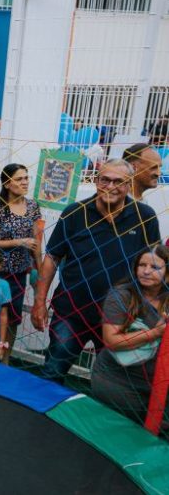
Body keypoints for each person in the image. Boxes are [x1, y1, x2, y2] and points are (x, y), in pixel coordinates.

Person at [32, 159, 161, 383]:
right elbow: (52, 258)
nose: (110, 186)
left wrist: (152, 309)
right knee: (53, 372)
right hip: (71, 311)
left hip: (119, 317)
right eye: (104, 180)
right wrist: (39, 302)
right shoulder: (75, 212)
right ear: (96, 181)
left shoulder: (144, 216)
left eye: (118, 181)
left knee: (111, 382)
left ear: (129, 184)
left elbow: (154, 262)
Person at [91, 245, 169, 427]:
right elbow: (112, 341)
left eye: (155, 267)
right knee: (123, 429)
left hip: (158, 384)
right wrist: (155, 333)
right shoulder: (121, 295)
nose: (146, 271)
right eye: (142, 265)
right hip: (118, 381)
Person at [0, 164, 42, 361]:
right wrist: (18, 242)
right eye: (19, 179)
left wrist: (40, 271)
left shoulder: (32, 206)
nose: (25, 182)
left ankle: (6, 359)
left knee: (12, 320)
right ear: (7, 184)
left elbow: (36, 242)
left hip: (19, 274)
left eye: (26, 178)